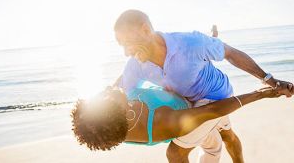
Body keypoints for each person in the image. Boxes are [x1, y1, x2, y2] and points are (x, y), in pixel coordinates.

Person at [113, 9, 293, 163]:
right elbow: (121, 93)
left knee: (175, 153)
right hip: (188, 103)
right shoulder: (135, 64)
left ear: (145, 30)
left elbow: (230, 52)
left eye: (128, 43)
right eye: (121, 46)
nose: (125, 52)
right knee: (227, 136)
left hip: (219, 97)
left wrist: (269, 80)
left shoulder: (190, 43)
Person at [71, 83, 293, 163]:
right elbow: (211, 110)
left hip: (187, 115)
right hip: (193, 119)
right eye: (105, 95)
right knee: (216, 142)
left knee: (222, 138)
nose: (108, 88)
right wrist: (261, 94)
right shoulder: (162, 121)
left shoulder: (112, 122)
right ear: (119, 112)